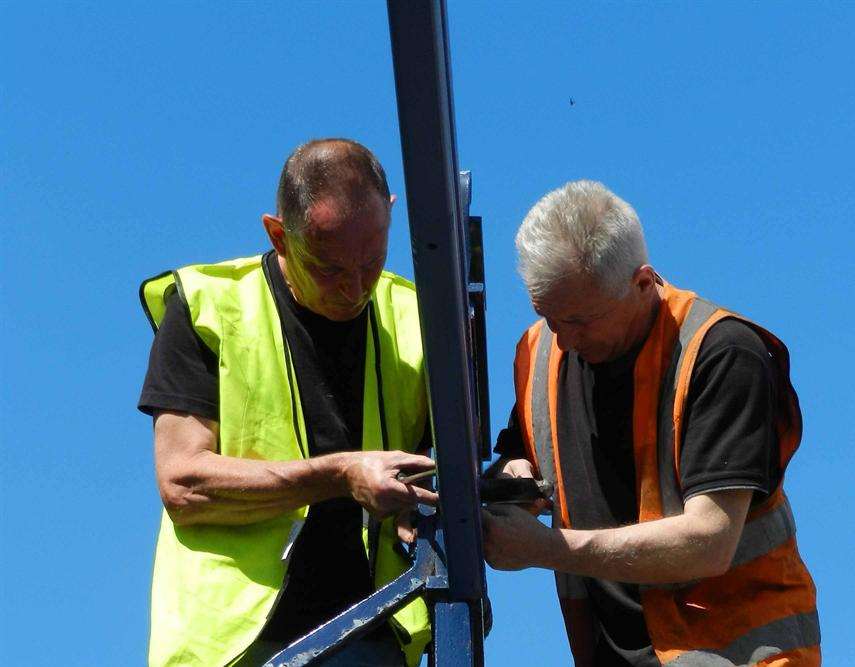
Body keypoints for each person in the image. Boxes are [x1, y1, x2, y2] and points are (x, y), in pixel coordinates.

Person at [482, 181, 820, 666]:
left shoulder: (720, 353)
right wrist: (515, 475)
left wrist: (548, 548)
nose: (564, 337)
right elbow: (523, 450)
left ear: (643, 282)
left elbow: (709, 541)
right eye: (547, 315)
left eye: (579, 320)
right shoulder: (540, 354)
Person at [137, 139, 435, 667]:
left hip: (374, 635)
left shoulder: (419, 319)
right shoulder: (208, 306)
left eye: (371, 261)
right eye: (327, 267)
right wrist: (341, 474)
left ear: (390, 214)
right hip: (233, 648)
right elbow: (182, 482)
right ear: (278, 234)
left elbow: (440, 479)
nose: (353, 288)